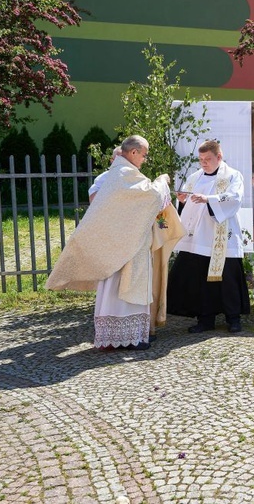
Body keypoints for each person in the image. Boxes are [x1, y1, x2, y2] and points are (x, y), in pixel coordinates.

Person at [47, 135, 171, 350]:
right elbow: (151, 197)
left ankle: (122, 337)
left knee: (116, 288)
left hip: (120, 242)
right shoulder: (125, 173)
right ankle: (127, 339)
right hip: (125, 245)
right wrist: (161, 181)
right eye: (144, 154)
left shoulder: (119, 173)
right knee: (122, 287)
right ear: (133, 153)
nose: (145, 159)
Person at [167, 139, 250, 333]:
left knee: (227, 277)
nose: (204, 163)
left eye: (208, 159)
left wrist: (209, 200)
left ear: (219, 157)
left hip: (223, 236)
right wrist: (182, 201)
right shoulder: (195, 177)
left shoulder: (232, 175)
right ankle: (205, 319)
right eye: (201, 159)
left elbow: (235, 198)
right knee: (200, 278)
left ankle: (233, 318)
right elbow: (187, 205)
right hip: (199, 237)